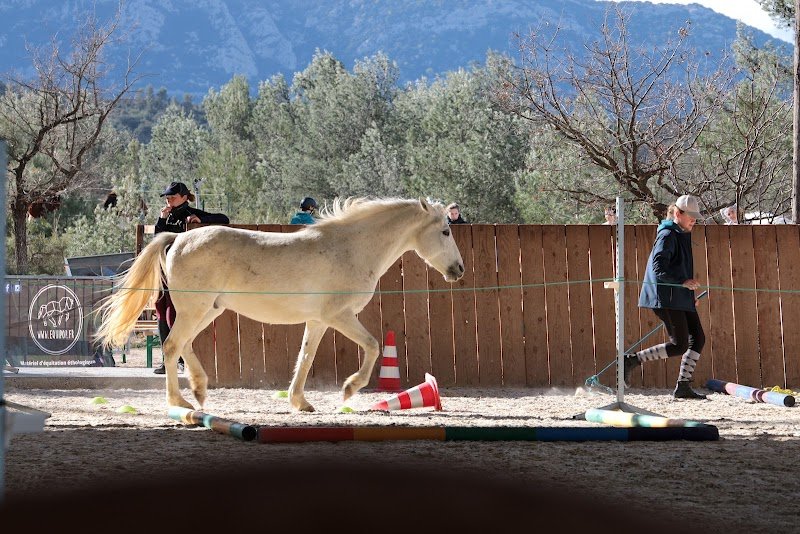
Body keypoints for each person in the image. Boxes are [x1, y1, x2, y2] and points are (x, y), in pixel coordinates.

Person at [622, 194, 707, 400]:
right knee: (679, 345)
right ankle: (631, 360)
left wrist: (688, 294)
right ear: (678, 213)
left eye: (696, 217)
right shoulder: (668, 235)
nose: (694, 220)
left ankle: (683, 385)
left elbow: (680, 269)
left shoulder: (682, 233)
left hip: (679, 296)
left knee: (698, 338)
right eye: (690, 216)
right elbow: (659, 267)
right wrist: (682, 283)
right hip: (665, 296)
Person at [152, 181, 229, 375]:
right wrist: (161, 220)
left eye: (173, 197)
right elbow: (157, 239)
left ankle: (178, 357)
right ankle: (167, 358)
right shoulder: (165, 216)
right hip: (163, 268)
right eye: (167, 197)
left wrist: (200, 219)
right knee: (161, 310)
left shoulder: (191, 213)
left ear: (184, 197)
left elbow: (224, 218)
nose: (169, 200)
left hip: (182, 272)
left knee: (173, 311)